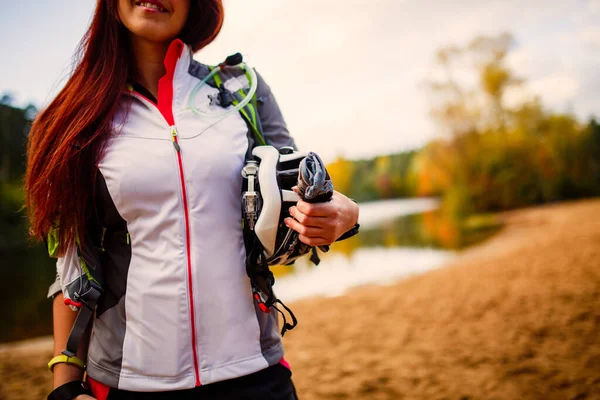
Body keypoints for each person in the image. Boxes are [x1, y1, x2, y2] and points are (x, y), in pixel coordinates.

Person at [25, 1, 359, 399]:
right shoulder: (76, 117)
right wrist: (64, 390)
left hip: (255, 373)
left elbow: (296, 195)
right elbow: (71, 270)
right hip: (129, 384)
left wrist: (343, 215)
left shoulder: (241, 91)